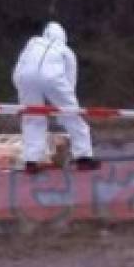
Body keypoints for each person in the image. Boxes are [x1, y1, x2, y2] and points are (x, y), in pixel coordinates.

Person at [12, 21, 100, 173]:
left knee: (32, 118)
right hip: (53, 78)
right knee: (73, 116)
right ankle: (84, 158)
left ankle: (31, 161)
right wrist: (65, 108)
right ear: (63, 36)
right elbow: (70, 81)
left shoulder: (33, 42)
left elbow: (20, 64)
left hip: (25, 77)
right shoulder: (66, 51)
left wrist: (20, 86)